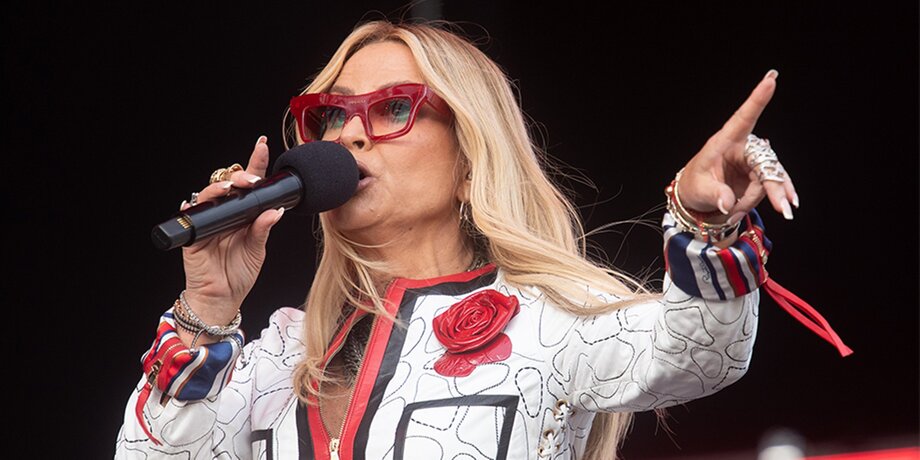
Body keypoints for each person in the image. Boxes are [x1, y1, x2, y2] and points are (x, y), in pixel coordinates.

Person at [114, 19, 803, 460]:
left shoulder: (546, 320)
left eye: (393, 107)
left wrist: (705, 222)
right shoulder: (279, 356)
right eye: (331, 115)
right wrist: (207, 307)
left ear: (472, 159)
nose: (349, 135)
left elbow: (699, 354)